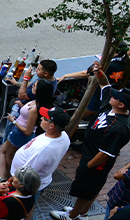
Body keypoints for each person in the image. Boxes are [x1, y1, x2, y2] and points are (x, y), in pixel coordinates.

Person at [51, 89, 130, 220]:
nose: (111, 95)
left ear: (121, 104)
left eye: (115, 96)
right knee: (91, 188)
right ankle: (83, 212)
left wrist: (88, 165)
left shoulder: (120, 128)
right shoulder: (109, 106)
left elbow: (105, 154)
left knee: (87, 190)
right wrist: (99, 73)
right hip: (90, 156)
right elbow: (104, 85)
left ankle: (72, 215)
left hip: (96, 164)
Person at [0, 79, 53, 180]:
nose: (32, 87)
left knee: (9, 157)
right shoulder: (36, 102)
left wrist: (13, 121)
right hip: (17, 132)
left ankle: (8, 178)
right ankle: (3, 177)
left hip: (19, 135)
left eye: (34, 86)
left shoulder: (34, 109)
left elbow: (28, 131)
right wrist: (21, 106)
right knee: (3, 151)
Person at [11, 107, 70, 192]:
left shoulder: (43, 149)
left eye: (45, 118)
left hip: (24, 185)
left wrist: (12, 182)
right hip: (41, 180)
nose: (41, 118)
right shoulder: (64, 136)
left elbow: (26, 173)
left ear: (51, 126)